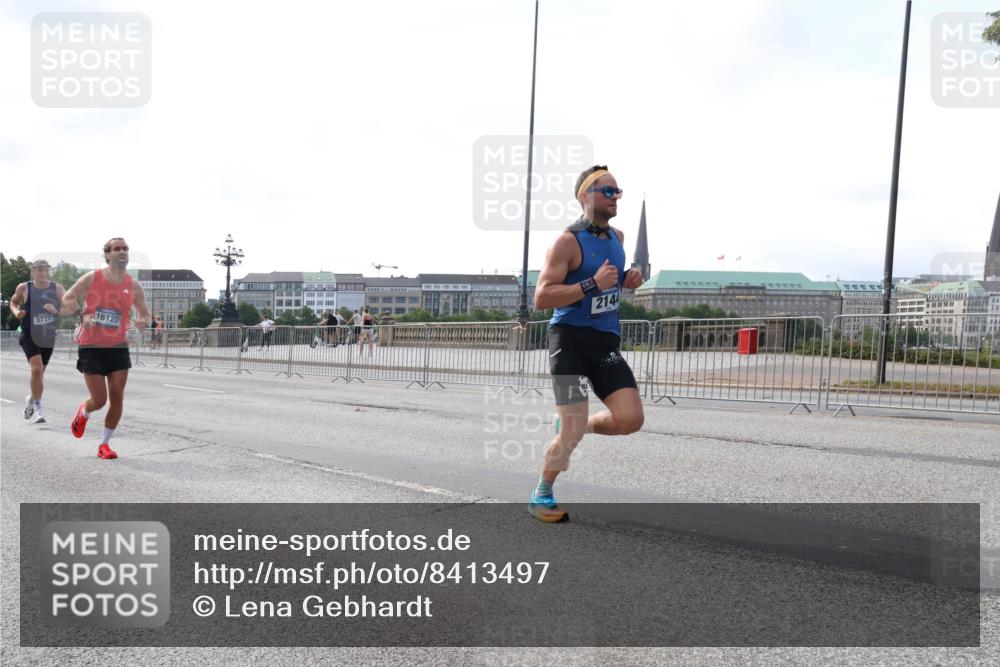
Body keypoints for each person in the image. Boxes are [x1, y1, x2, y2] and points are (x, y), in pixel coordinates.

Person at [528, 165, 646, 522]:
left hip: (604, 343)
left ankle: (579, 424)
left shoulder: (618, 239)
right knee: (572, 429)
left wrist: (628, 280)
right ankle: (542, 493)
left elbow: (612, 280)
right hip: (569, 342)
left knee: (630, 419)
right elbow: (542, 297)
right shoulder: (567, 241)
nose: (616, 198)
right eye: (607, 191)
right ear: (584, 197)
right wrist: (591, 284)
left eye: (618, 191)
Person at [62, 237, 151, 459]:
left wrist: (143, 321)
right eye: (117, 248)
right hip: (91, 346)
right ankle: (84, 411)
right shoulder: (93, 278)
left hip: (118, 346)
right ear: (108, 254)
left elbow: (145, 314)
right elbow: (68, 297)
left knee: (117, 396)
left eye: (125, 248)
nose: (122, 251)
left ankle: (104, 444)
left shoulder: (134, 286)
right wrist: (82, 316)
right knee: (99, 400)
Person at [9, 259, 70, 424]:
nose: (42, 273)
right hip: (28, 334)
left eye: (45, 270)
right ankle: (38, 409)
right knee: (36, 370)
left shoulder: (57, 289)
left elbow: (69, 308)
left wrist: (56, 310)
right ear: (33, 271)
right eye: (39, 270)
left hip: (47, 336)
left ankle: (30, 400)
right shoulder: (24, 287)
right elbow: (13, 302)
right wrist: (16, 312)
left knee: (40, 374)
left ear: (49, 271)